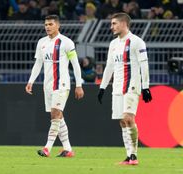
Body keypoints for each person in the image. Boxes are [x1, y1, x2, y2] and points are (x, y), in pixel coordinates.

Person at [97, 13, 152, 165]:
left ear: (123, 23)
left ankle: (134, 155)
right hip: (117, 87)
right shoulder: (113, 44)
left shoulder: (136, 42)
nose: (111, 27)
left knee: (128, 118)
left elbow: (144, 65)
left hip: (132, 85)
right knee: (122, 122)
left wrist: (146, 87)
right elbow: (109, 66)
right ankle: (128, 156)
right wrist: (102, 87)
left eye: (114, 23)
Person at [25, 15, 84, 158]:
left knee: (55, 114)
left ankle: (47, 148)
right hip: (48, 85)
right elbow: (38, 64)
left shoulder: (66, 42)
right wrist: (31, 81)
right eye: (46, 24)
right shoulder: (41, 43)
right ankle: (68, 149)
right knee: (57, 116)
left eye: (50, 24)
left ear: (58, 26)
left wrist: (79, 84)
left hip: (62, 84)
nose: (47, 27)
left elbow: (75, 64)